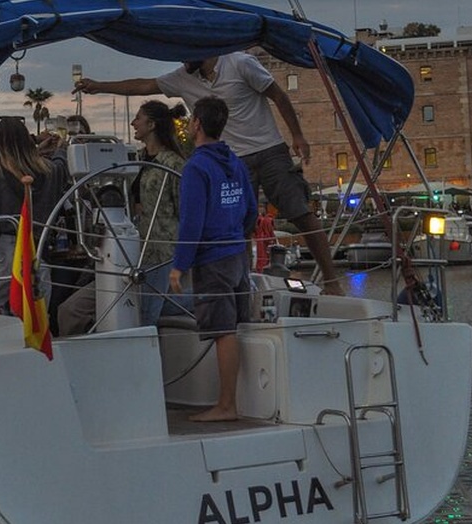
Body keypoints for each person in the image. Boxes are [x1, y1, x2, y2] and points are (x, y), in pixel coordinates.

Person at [74, 52, 344, 295]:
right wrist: (98, 86)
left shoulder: (240, 63)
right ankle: (242, 286)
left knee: (300, 212)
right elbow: (144, 85)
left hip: (269, 148)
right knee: (238, 226)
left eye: (185, 54)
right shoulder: (183, 77)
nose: (181, 61)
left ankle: (332, 282)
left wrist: (297, 135)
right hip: (233, 159)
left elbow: (279, 96)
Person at [57, 101, 191, 335]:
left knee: (145, 319)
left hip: (159, 254)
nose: (133, 123)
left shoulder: (175, 165)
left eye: (137, 118)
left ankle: (205, 300)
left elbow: (186, 212)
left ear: (151, 124)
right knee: (72, 310)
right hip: (127, 251)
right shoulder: (131, 159)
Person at [169, 96, 257, 422]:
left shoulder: (196, 167)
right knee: (236, 325)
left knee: (223, 331)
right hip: (237, 256)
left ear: (197, 125)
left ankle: (226, 405)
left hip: (213, 259)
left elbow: (191, 220)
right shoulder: (235, 162)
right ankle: (239, 402)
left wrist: (179, 265)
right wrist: (236, 235)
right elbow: (251, 209)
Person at [0, 117, 68, 316]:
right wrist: (61, 149)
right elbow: (61, 168)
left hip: (1, 252)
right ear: (28, 140)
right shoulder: (49, 171)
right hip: (37, 250)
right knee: (35, 319)